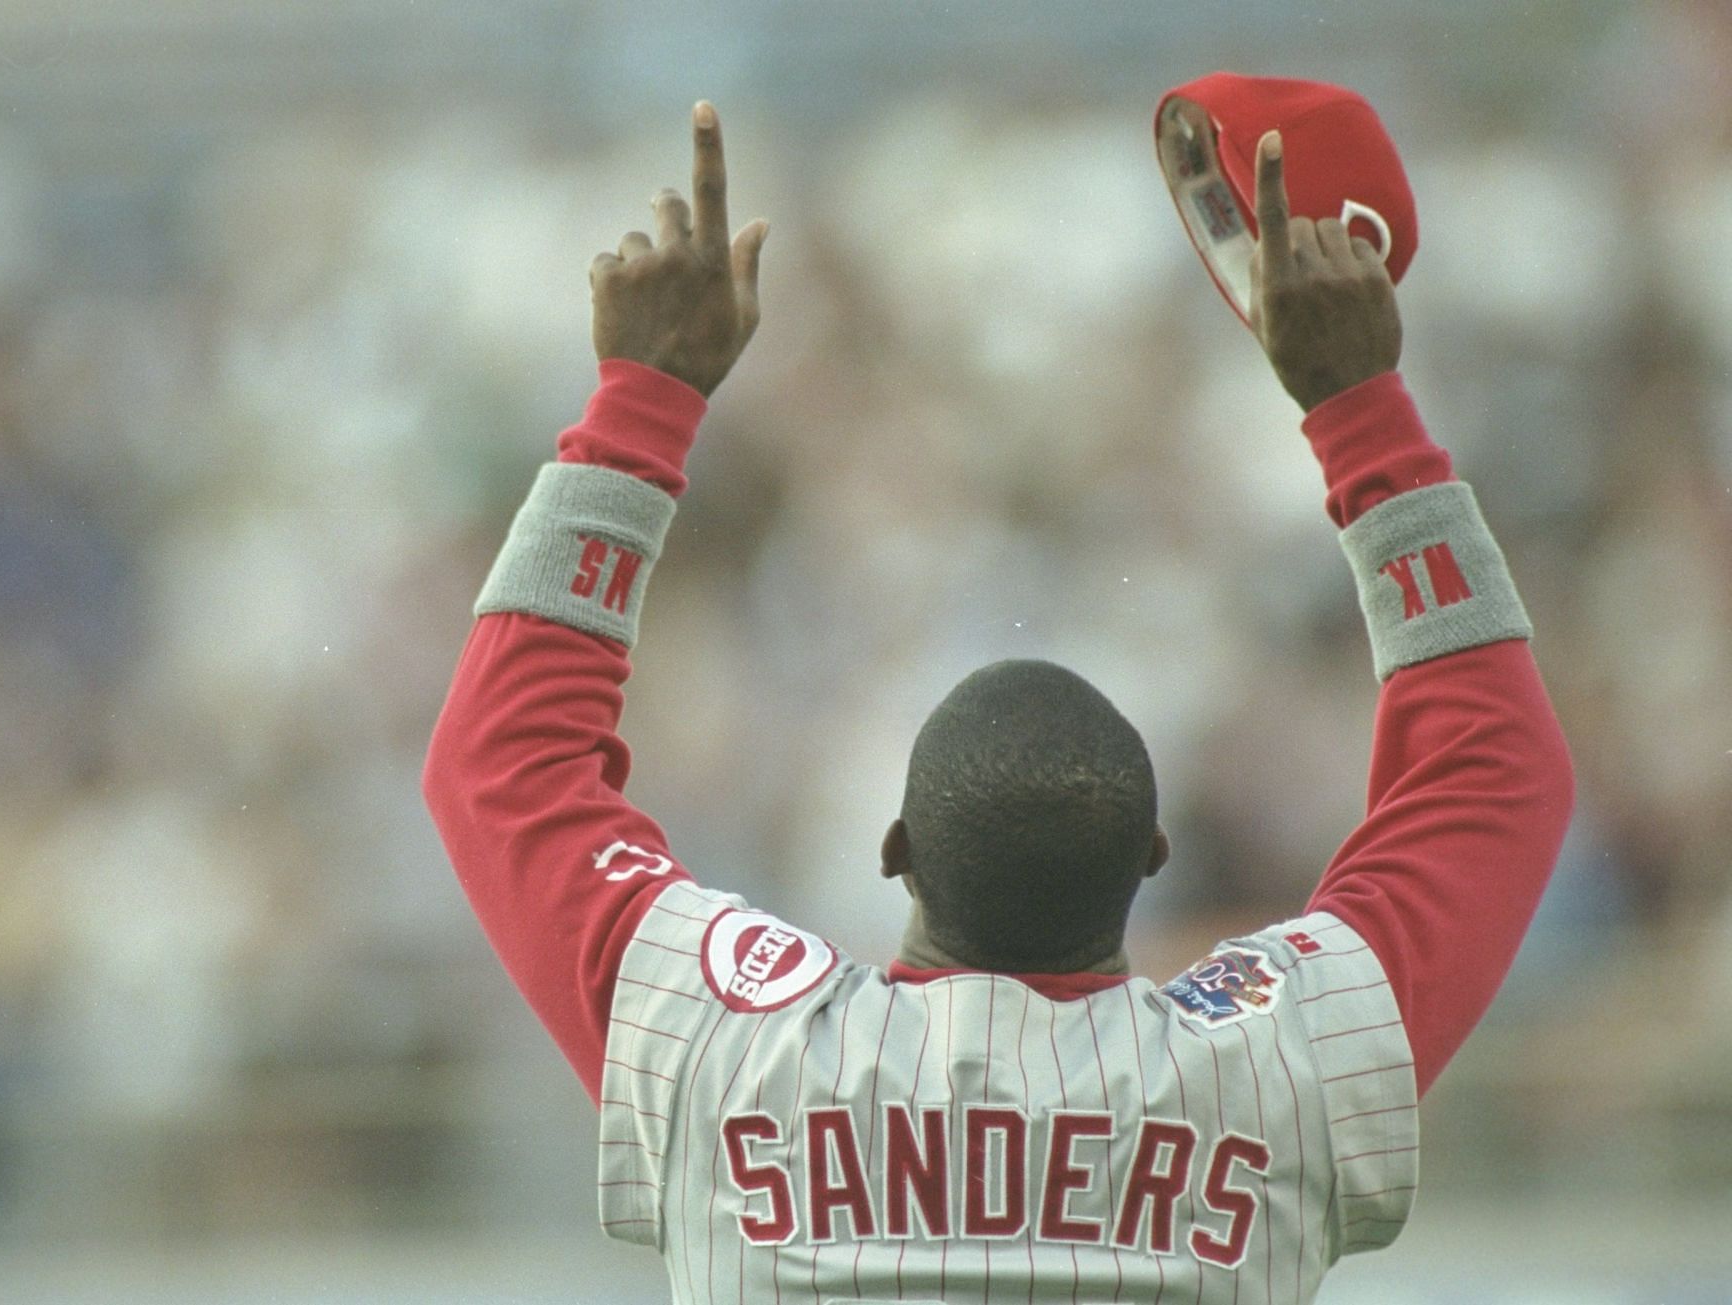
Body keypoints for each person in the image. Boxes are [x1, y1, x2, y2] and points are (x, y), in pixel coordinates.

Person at [423, 101, 1575, 1303]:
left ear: (898, 853)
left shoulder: (734, 1056)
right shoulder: (1279, 1076)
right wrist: (1362, 409)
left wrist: (640, 401)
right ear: (1152, 859)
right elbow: (1497, 774)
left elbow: (501, 764)